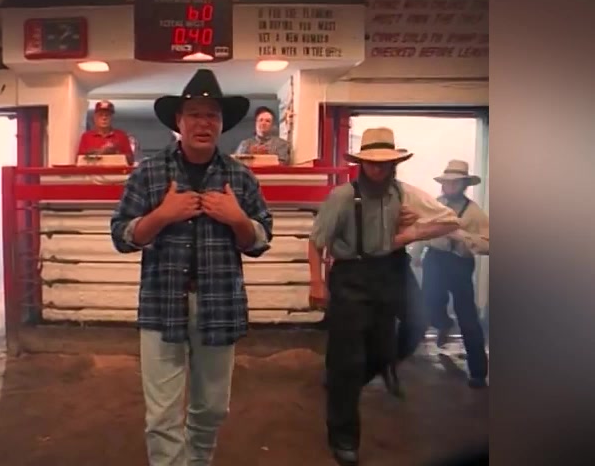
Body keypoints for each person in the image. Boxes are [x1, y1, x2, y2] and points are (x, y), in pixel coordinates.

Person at [110, 69, 273, 466]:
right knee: (162, 417)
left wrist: (237, 220)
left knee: (212, 409)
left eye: (211, 115)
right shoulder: (148, 172)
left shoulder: (240, 176)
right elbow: (121, 236)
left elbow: (261, 240)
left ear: (221, 123)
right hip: (161, 305)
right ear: (178, 122)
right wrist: (162, 215)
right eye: (195, 114)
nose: (203, 123)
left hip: (221, 305)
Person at [309, 127, 463, 466]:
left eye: (385, 163)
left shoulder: (403, 194)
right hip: (352, 274)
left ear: (394, 163)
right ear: (361, 163)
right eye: (372, 163)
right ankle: (344, 437)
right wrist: (316, 283)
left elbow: (449, 220)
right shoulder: (343, 196)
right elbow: (316, 241)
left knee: (410, 329)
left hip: (392, 269)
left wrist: (410, 231)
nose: (378, 169)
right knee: (348, 358)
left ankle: (356, 376)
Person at [411, 160, 489, 388]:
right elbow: (423, 229)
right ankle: (443, 323)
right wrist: (416, 253)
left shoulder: (474, 213)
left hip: (459, 263)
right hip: (435, 259)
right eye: (447, 182)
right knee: (430, 303)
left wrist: (463, 237)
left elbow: (488, 244)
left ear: (464, 184)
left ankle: (478, 372)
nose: (449, 186)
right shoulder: (435, 205)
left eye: (455, 183)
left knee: (467, 316)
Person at [76, 100, 134, 164]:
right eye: (100, 115)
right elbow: (80, 160)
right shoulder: (86, 136)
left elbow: (131, 160)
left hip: (114, 170)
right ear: (95, 118)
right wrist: (98, 152)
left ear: (112, 118)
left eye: (107, 115)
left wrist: (116, 153)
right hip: (94, 170)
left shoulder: (121, 135)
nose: (104, 118)